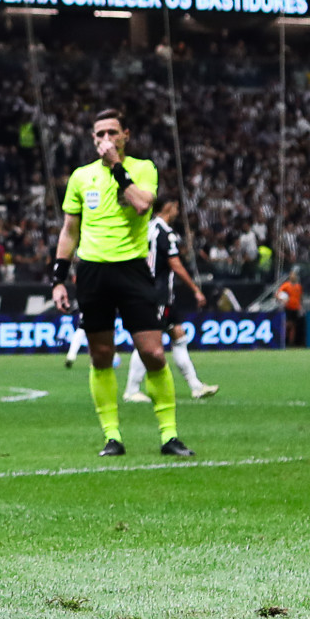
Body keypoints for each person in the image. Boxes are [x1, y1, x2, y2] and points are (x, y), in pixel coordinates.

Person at [51, 109, 193, 458]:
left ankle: (169, 435)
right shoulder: (81, 177)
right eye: (99, 135)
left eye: (112, 133)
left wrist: (116, 166)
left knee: (154, 352)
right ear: (93, 139)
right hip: (93, 272)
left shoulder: (142, 168)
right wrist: (58, 278)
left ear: (125, 135)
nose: (105, 140)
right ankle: (112, 437)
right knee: (101, 355)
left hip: (132, 270)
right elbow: (70, 230)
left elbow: (144, 205)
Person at [123, 196, 216, 402]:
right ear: (167, 207)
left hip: (153, 291)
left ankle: (195, 386)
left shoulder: (147, 228)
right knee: (149, 341)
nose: (177, 211)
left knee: (179, 336)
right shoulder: (164, 232)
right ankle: (131, 390)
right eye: (175, 206)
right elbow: (175, 264)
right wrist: (195, 290)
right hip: (158, 293)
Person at [277, 273, 305, 347]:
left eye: (294, 276)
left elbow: (300, 298)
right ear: (290, 277)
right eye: (292, 276)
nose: (293, 277)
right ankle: (283, 341)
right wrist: (281, 299)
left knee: (293, 325)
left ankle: (291, 342)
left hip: (295, 308)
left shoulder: (298, 286)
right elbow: (278, 294)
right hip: (288, 308)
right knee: (287, 324)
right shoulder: (286, 285)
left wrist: (301, 307)